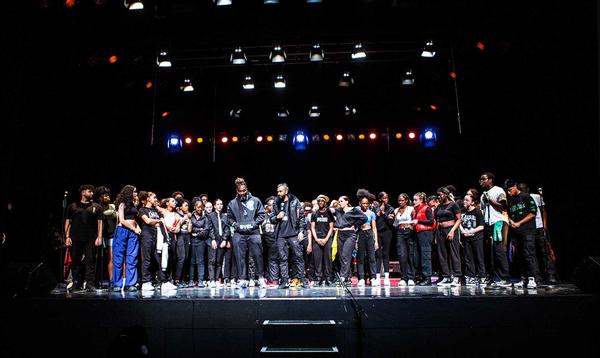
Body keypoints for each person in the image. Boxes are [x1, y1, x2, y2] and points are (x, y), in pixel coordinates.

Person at [227, 178, 266, 289]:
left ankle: (261, 278)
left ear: (247, 189)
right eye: (240, 191)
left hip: (253, 232)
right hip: (239, 233)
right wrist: (236, 225)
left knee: (258, 255)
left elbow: (262, 215)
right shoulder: (232, 203)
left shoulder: (255, 200)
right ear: (237, 191)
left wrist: (253, 224)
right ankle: (242, 279)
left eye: (244, 191)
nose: (242, 193)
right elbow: (229, 218)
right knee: (240, 257)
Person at [65, 185, 103, 291]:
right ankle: (76, 282)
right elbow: (68, 222)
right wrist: (67, 236)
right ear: (83, 192)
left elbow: (100, 222)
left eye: (92, 192)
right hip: (76, 237)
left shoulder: (97, 206)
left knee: (90, 260)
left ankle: (90, 283)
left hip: (91, 238)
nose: (92, 193)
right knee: (76, 260)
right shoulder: (73, 206)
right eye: (89, 191)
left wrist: (99, 237)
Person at [518, 183, 557, 284]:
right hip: (527, 229)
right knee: (531, 253)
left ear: (528, 189)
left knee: (545, 252)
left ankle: (550, 274)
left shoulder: (536, 196)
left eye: (524, 189)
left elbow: (543, 211)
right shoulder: (518, 199)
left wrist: (544, 224)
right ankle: (536, 276)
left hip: (539, 227)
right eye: (520, 190)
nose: (523, 191)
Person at [479, 172, 512, 288]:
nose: (481, 181)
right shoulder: (483, 195)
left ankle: (505, 278)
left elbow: (504, 207)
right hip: (488, 224)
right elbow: (483, 211)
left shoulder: (498, 190)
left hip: (498, 222)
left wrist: (491, 201)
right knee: (490, 252)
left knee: (499, 250)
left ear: (490, 180)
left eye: (483, 179)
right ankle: (493, 277)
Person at [271, 183, 306, 289]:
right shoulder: (276, 203)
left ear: (286, 191)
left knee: (299, 256)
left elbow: (301, 218)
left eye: (280, 191)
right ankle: (285, 281)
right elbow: (271, 219)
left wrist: (301, 231)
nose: (278, 193)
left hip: (294, 234)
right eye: (277, 191)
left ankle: (302, 280)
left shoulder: (295, 201)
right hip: (281, 235)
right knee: (283, 258)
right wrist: (277, 217)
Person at [505, 179, 539, 289]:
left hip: (528, 230)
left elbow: (533, 213)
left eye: (510, 190)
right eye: (507, 191)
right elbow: (508, 214)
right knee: (519, 256)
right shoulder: (510, 200)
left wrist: (519, 223)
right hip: (516, 232)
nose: (509, 193)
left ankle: (532, 279)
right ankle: (523, 278)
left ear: (515, 186)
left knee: (529, 254)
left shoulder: (526, 197)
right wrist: (511, 221)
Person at [112, 185, 141, 292]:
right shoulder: (122, 204)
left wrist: (137, 227)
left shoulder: (133, 204)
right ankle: (117, 284)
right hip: (122, 231)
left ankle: (131, 283)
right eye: (134, 192)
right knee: (119, 258)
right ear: (129, 193)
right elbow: (122, 220)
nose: (136, 194)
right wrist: (134, 229)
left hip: (133, 233)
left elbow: (134, 219)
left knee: (132, 258)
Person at [332, 196, 367, 285]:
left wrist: (354, 224)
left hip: (350, 234)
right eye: (339, 201)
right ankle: (347, 277)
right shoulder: (338, 210)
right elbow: (329, 209)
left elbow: (364, 218)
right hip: (340, 234)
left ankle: (343, 276)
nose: (340, 203)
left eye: (341, 201)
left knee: (345, 255)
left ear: (347, 201)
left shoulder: (353, 210)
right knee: (340, 256)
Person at [435, 187, 462, 287]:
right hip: (441, 231)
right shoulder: (439, 206)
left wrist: (452, 231)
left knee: (454, 253)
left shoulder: (453, 205)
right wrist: (436, 235)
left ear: (446, 194)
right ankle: (446, 276)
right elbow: (437, 220)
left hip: (451, 229)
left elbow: (459, 219)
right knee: (442, 254)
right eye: (438, 195)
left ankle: (456, 277)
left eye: (441, 195)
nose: (439, 197)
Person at [459, 194, 486, 286]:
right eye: (464, 200)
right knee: (468, 258)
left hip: (476, 238)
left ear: (472, 202)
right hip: (466, 239)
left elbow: (481, 226)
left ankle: (482, 277)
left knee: (479, 257)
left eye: (467, 200)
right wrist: (463, 231)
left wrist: (471, 231)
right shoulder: (462, 212)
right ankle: (471, 276)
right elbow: (459, 222)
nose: (464, 202)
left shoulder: (477, 211)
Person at [356, 189, 379, 287]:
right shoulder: (357, 212)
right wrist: (356, 241)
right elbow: (355, 227)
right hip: (360, 234)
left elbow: (374, 227)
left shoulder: (371, 213)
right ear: (360, 203)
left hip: (369, 234)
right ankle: (361, 278)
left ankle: (373, 277)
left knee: (371, 257)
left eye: (367, 203)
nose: (365, 205)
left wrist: (376, 241)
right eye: (363, 203)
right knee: (360, 257)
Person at [311, 194, 335, 286]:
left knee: (328, 259)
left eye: (322, 201)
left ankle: (328, 278)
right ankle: (318, 278)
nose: (320, 202)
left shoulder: (329, 213)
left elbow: (331, 227)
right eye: (319, 201)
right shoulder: (314, 213)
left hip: (327, 239)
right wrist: (316, 239)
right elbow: (313, 227)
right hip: (317, 239)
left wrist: (326, 239)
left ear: (325, 202)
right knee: (317, 260)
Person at [95, 186, 116, 287]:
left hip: (111, 234)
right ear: (100, 197)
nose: (108, 197)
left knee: (111, 258)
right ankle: (95, 280)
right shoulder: (96, 207)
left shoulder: (112, 206)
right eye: (105, 195)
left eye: (108, 195)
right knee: (97, 257)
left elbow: (115, 216)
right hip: (99, 235)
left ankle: (112, 280)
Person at [393, 193, 416, 287]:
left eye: (402, 200)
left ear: (406, 200)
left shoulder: (411, 208)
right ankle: (403, 278)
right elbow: (395, 224)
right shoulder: (396, 210)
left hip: (409, 232)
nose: (400, 202)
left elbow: (415, 220)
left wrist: (411, 226)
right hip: (400, 233)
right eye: (399, 200)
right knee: (402, 255)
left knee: (410, 254)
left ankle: (411, 277)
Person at [412, 192, 435, 286]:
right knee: (417, 256)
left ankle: (427, 277)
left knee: (425, 255)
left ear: (421, 200)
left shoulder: (427, 208)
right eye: (413, 200)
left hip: (425, 233)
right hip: (418, 234)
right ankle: (421, 276)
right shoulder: (416, 209)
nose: (414, 201)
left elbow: (431, 221)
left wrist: (418, 221)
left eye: (415, 200)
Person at [207, 199, 230, 287]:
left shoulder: (225, 216)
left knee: (219, 261)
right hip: (213, 240)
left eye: (221, 204)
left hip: (221, 240)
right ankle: (212, 280)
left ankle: (217, 279)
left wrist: (224, 239)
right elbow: (210, 227)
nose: (220, 205)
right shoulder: (210, 216)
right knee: (212, 260)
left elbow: (227, 229)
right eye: (218, 204)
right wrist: (212, 239)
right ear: (214, 206)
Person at [374, 192, 395, 287]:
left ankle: (386, 277)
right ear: (380, 199)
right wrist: (378, 213)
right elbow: (373, 221)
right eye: (383, 198)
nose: (385, 200)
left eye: (387, 198)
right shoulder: (375, 208)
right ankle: (377, 277)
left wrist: (384, 214)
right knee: (378, 254)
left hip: (387, 232)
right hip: (378, 233)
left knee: (386, 254)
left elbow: (391, 222)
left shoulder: (391, 209)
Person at [190, 200, 210, 287]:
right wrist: (199, 229)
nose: (200, 209)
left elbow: (206, 231)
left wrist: (196, 232)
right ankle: (191, 280)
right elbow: (190, 229)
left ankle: (200, 280)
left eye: (201, 207)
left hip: (201, 241)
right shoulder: (191, 216)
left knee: (200, 261)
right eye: (198, 207)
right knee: (192, 261)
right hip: (192, 241)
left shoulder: (205, 218)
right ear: (194, 207)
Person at [260, 197, 279, 286]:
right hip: (264, 242)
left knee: (273, 260)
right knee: (265, 261)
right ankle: (268, 279)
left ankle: (274, 280)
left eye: (274, 204)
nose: (272, 206)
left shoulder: (278, 216)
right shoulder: (263, 216)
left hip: (276, 242)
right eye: (270, 205)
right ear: (267, 206)